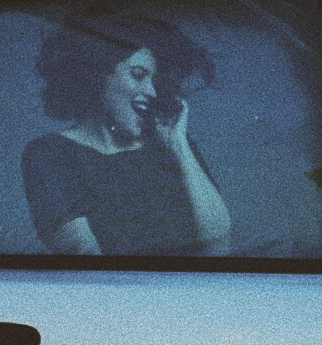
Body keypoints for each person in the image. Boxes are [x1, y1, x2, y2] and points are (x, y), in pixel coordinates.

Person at [24, 15, 232, 256]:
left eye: (155, 80)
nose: (152, 91)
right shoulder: (50, 154)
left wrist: (180, 146)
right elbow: (86, 261)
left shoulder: (173, 145)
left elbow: (219, 245)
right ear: (97, 74)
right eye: (138, 75)